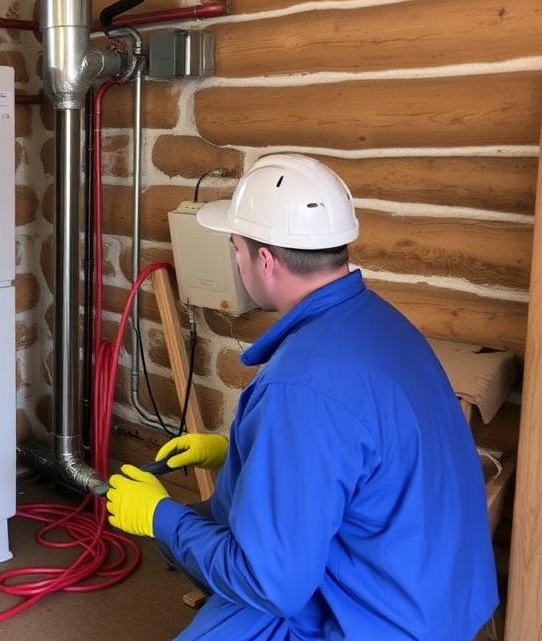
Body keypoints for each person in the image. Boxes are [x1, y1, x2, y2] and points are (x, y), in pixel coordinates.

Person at [105, 154, 498, 640]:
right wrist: (238, 450)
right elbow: (358, 452)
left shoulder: (303, 385)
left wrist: (161, 517)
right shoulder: (379, 322)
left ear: (265, 261)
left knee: (230, 575)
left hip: (381, 621)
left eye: (235, 248)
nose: (236, 260)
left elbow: (270, 584)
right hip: (435, 591)